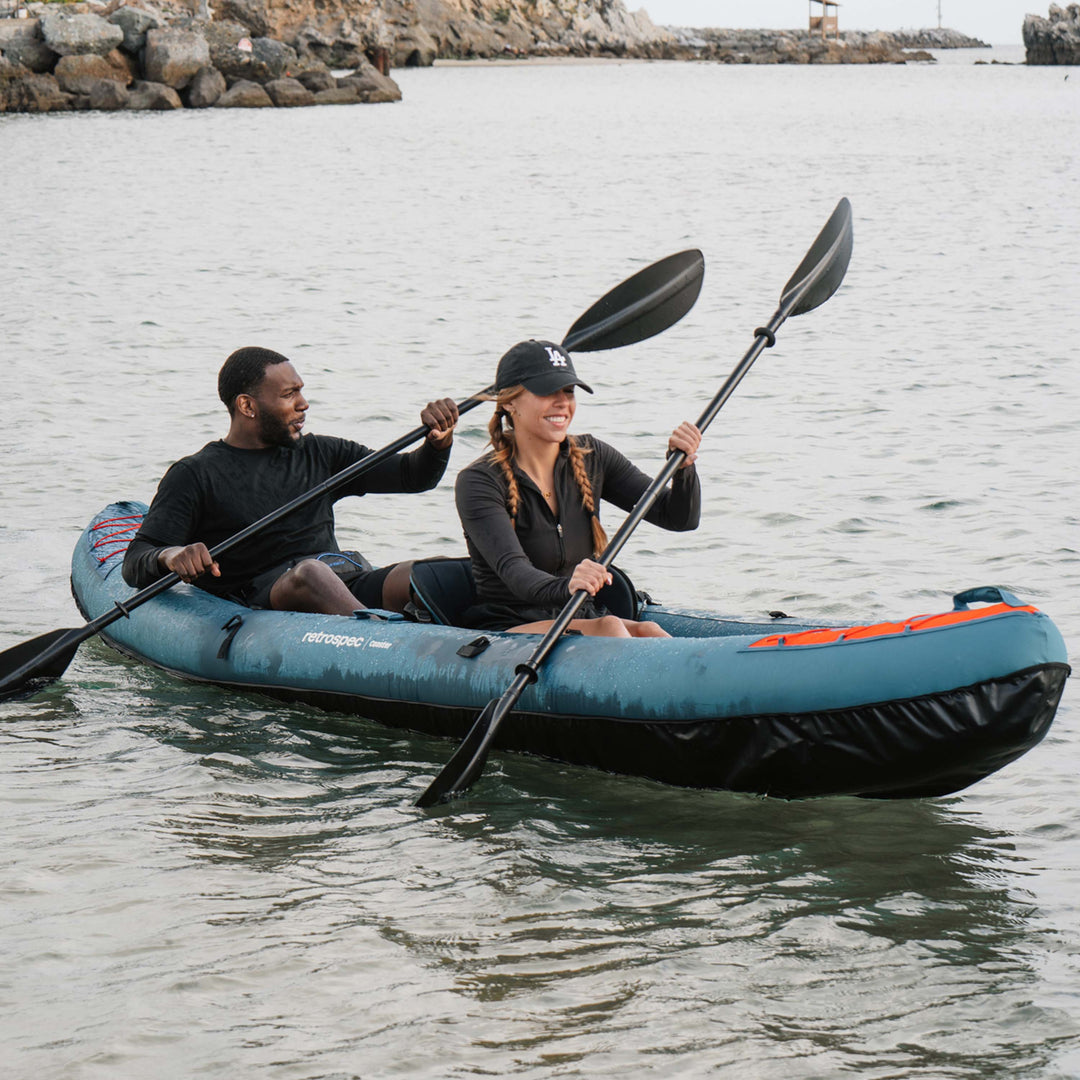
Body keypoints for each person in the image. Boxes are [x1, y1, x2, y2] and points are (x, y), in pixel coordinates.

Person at [122, 346, 459, 614]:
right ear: (247, 406)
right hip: (269, 599)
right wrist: (172, 556)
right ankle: (382, 638)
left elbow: (412, 475)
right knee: (310, 574)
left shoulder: (322, 453)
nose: (303, 403)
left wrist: (438, 442)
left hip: (343, 582)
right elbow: (136, 560)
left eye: (301, 391)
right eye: (289, 394)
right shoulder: (195, 474)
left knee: (434, 572)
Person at [455, 339, 702, 637]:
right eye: (547, 390)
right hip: (509, 625)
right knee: (609, 626)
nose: (562, 402)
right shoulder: (479, 481)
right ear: (509, 401)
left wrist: (684, 469)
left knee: (648, 628)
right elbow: (516, 573)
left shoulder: (593, 456)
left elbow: (678, 518)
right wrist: (569, 583)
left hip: (580, 615)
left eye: (568, 391)